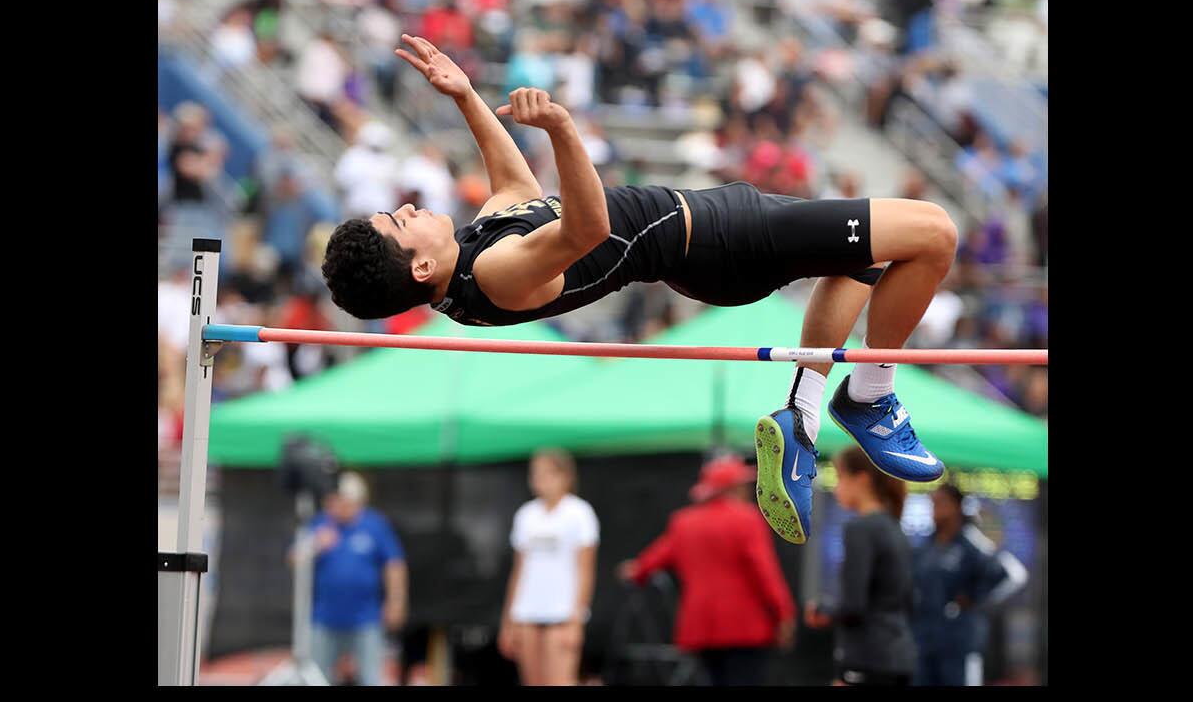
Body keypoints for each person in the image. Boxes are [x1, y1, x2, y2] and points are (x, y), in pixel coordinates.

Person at [321, 34, 959, 544]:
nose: (406, 208)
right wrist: (565, 129)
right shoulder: (492, 274)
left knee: (865, 256)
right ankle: (872, 394)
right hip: (722, 241)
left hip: (712, 234)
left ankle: (805, 415)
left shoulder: (474, 260)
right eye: (399, 223)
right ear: (420, 270)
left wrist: (464, 96)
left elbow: (516, 190)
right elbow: (588, 225)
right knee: (935, 233)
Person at [618, 454, 796, 686]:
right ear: (733, 488)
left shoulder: (684, 523)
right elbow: (766, 573)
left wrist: (635, 570)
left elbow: (649, 562)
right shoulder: (747, 519)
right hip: (745, 627)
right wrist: (784, 615)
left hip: (701, 627)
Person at [803, 446, 916, 686]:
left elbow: (854, 605)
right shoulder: (896, 528)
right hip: (899, 656)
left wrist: (822, 611)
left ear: (862, 479)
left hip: (866, 658)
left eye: (840, 477)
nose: (836, 488)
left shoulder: (860, 530)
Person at [498, 449, 599, 686]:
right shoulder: (526, 515)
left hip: (562, 615)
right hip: (527, 614)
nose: (540, 480)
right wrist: (509, 621)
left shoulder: (579, 513)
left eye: (547, 473)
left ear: (565, 476)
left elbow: (585, 570)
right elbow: (518, 572)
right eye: (535, 474)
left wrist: (576, 621)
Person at [911, 484, 1028, 686]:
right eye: (932, 504)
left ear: (957, 506)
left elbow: (1012, 574)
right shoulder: (927, 546)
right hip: (925, 642)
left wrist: (975, 598)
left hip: (958, 643)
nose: (935, 509)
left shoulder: (972, 545)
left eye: (940, 503)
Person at [303, 472, 409, 686]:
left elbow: (394, 565)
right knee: (316, 677)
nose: (339, 506)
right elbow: (293, 559)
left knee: (371, 677)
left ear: (358, 501)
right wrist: (314, 545)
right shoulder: (321, 524)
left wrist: (396, 601)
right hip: (324, 618)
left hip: (366, 618)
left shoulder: (375, 525)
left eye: (345, 501)